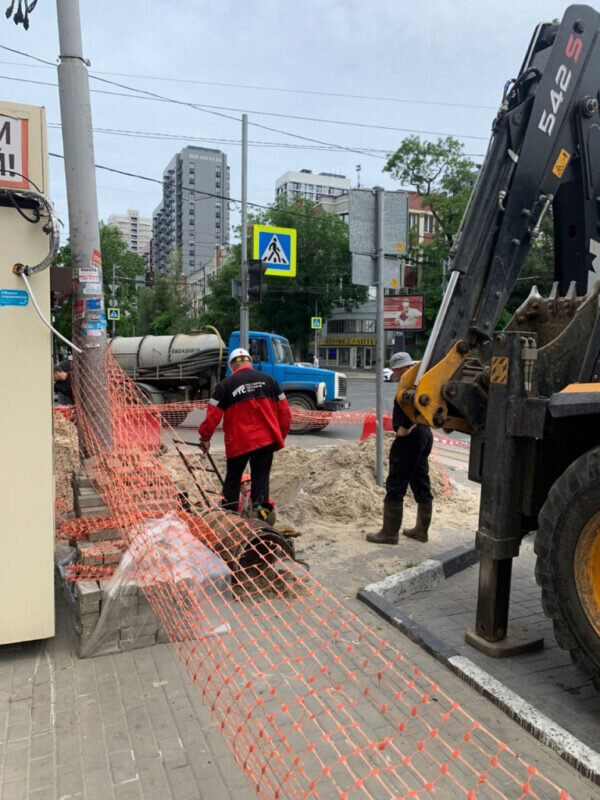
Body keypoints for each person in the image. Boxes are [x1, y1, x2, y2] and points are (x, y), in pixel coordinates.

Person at [199, 347, 291, 519]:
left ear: (232, 366)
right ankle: (262, 520)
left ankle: (230, 519)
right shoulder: (270, 381)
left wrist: (205, 438)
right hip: (265, 441)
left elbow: (212, 416)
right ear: (250, 362)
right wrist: (278, 438)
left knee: (232, 482)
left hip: (238, 443)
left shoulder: (225, 385)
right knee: (261, 483)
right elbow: (285, 414)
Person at [366, 351, 433, 545]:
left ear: (402, 368)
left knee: (396, 482)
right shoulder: (422, 380)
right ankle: (421, 531)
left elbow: (410, 406)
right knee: (420, 479)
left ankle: (389, 533)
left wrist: (404, 428)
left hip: (411, 437)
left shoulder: (410, 385)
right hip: (424, 434)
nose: (395, 375)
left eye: (396, 371)